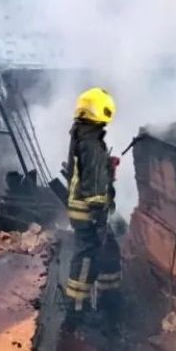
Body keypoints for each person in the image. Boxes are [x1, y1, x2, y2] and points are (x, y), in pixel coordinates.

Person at [63, 87, 122, 315]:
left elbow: (88, 170)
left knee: (109, 248)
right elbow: (95, 183)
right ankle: (77, 308)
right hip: (89, 211)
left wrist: (107, 164)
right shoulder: (92, 144)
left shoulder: (81, 135)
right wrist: (99, 217)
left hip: (81, 208)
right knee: (87, 256)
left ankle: (109, 296)